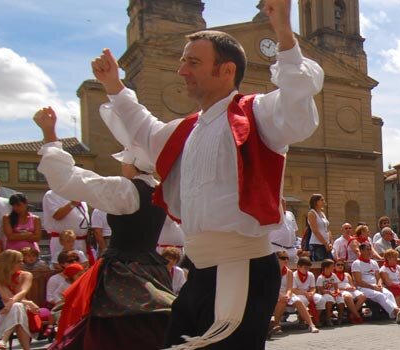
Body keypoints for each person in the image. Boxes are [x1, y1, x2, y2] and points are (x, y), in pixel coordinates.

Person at [96, 0, 322, 341]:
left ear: (226, 71)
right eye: (183, 61)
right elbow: (144, 130)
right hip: (201, 269)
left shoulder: (256, 114)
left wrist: (284, 34)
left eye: (193, 62)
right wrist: (114, 85)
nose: (182, 70)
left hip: (241, 269)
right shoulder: (186, 130)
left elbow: (297, 110)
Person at [33, 107, 179, 350]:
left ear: (131, 164)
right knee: (150, 329)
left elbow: (66, 180)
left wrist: (49, 135)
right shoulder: (160, 189)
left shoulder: (125, 190)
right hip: (153, 270)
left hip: (122, 274)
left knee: (116, 333)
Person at [0, 250, 39, 349]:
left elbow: (23, 292)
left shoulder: (26, 275)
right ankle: (26, 348)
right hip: (4, 312)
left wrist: (12, 302)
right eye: (19, 261)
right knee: (17, 307)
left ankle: (3, 340)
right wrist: (28, 302)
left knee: (17, 307)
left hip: (22, 310)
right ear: (9, 263)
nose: (22, 263)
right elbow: (6, 298)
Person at [351, 243, 400, 322]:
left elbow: (378, 277)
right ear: (361, 251)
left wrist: (379, 284)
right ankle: (397, 311)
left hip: (375, 286)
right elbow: (359, 281)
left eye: (370, 249)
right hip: (363, 288)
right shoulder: (356, 263)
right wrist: (373, 287)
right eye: (367, 250)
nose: (370, 252)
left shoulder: (374, 262)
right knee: (380, 295)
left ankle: (395, 315)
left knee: (388, 294)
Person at [273, 255, 318, 334]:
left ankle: (312, 325)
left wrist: (287, 295)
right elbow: (271, 287)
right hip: (274, 293)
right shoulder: (271, 271)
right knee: (282, 302)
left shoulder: (289, 272)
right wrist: (281, 296)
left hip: (287, 293)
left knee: (299, 301)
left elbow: (290, 288)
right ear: (277, 259)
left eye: (287, 258)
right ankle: (276, 325)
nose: (286, 260)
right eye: (283, 258)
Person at [315, 259, 360, 326]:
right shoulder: (321, 277)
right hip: (325, 294)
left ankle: (340, 318)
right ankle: (328, 318)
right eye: (332, 266)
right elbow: (321, 290)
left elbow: (336, 287)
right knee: (329, 300)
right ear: (326, 268)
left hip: (332, 292)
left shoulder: (333, 275)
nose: (333, 268)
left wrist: (337, 292)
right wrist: (330, 293)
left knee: (341, 301)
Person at [305, 194, 333, 262]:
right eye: (322, 200)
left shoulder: (322, 213)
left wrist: (331, 242)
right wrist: (325, 243)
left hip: (326, 244)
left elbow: (327, 229)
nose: (324, 201)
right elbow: (315, 231)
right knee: (319, 265)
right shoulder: (312, 213)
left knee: (330, 264)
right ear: (316, 202)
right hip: (317, 244)